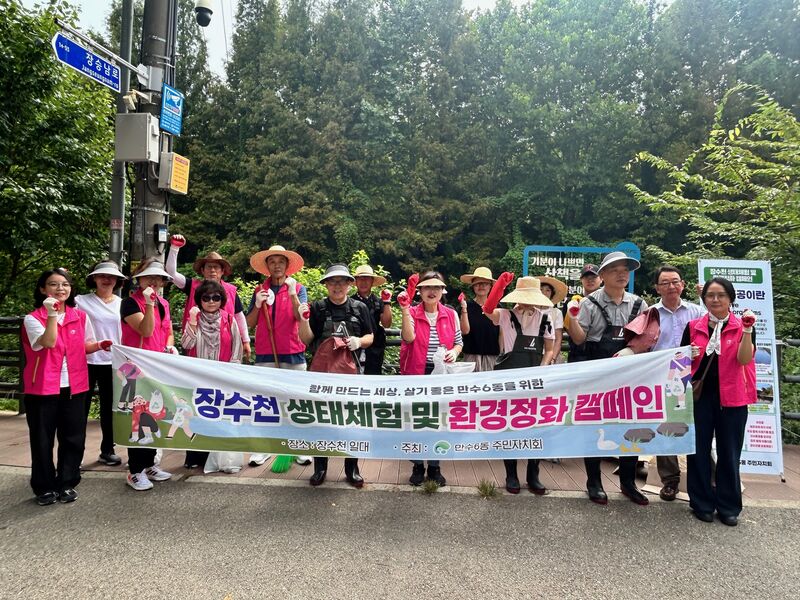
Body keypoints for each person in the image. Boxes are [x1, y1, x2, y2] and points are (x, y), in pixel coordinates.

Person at [565, 251, 648, 506]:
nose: (622, 274)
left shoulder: (639, 304)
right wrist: (572, 318)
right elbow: (579, 339)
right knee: (594, 426)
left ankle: (628, 483)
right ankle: (594, 482)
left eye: (625, 270)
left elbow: (646, 338)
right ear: (602, 275)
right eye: (615, 270)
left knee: (629, 427)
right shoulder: (589, 303)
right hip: (596, 374)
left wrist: (632, 350)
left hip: (629, 377)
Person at [21, 268, 109, 505]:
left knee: (73, 438)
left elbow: (85, 345)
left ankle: (67, 483)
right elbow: (48, 342)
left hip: (74, 386)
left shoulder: (79, 317)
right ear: (43, 289)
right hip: (42, 388)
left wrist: (100, 345)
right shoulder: (33, 318)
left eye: (65, 284)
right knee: (42, 440)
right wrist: (52, 314)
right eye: (54, 284)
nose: (61, 288)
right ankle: (44, 487)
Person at [684, 277, 756, 526]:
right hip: (700, 397)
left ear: (730, 298)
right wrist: (688, 354)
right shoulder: (693, 326)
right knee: (698, 451)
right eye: (710, 295)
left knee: (729, 452)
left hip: (733, 397)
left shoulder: (743, 324)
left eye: (721, 295)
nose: (715, 300)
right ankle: (701, 503)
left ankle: (729, 506)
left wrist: (747, 331)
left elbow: (744, 359)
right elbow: (680, 362)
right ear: (704, 299)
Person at [298, 264, 374, 488]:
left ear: (350, 284)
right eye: (332, 281)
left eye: (342, 281)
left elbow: (370, 336)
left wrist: (359, 341)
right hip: (322, 376)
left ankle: (352, 469)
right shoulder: (318, 308)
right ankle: (320, 468)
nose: (337, 286)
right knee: (321, 420)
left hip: (352, 375)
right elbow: (306, 339)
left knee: (352, 421)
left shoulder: (359, 308)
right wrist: (303, 319)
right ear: (326, 285)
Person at [482, 274, 554, 494]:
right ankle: (511, 474)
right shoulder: (505, 315)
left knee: (536, 426)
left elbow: (549, 349)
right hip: (508, 377)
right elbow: (487, 309)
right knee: (509, 425)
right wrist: (500, 286)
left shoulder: (545, 318)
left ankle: (533, 475)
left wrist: (542, 369)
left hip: (535, 378)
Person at [246, 244, 310, 467]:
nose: (276, 266)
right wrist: (257, 304)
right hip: (266, 353)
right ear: (267, 266)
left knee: (297, 402)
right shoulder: (259, 289)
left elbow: (300, 316)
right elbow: (249, 323)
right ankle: (263, 449)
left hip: (293, 352)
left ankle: (299, 447)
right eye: (272, 262)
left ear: (287, 265)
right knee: (265, 403)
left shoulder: (299, 287)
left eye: (280, 261)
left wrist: (292, 294)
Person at [398, 271, 463, 487]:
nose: (432, 291)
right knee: (415, 420)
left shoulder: (451, 314)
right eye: (427, 287)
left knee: (438, 420)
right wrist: (405, 310)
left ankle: (435, 466)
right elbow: (408, 338)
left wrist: (454, 352)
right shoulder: (411, 312)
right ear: (420, 291)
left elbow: (458, 342)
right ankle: (417, 465)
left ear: (443, 291)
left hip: (441, 376)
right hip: (416, 374)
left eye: (436, 287)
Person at [648, 265, 705, 502]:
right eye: (665, 283)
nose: (671, 286)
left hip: (694, 377)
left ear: (683, 284)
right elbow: (643, 345)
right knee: (666, 427)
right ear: (657, 288)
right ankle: (670, 481)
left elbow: (715, 332)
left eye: (675, 281)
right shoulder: (650, 314)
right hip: (662, 377)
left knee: (699, 426)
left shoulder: (697, 311)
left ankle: (705, 479)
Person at [120, 259, 175, 491]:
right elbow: (146, 330)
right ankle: (135, 470)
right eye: (148, 276)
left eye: (158, 277)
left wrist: (169, 346)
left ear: (163, 281)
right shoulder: (130, 303)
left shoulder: (164, 303)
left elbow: (168, 331)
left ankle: (149, 464)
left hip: (158, 367)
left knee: (154, 414)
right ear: (139, 279)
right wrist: (150, 304)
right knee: (139, 416)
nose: (153, 281)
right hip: (137, 369)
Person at [181, 279, 244, 470]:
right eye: (206, 297)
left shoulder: (229, 319)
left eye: (216, 297)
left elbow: (237, 349)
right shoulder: (194, 318)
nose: (211, 301)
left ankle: (218, 458)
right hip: (197, 377)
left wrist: (232, 373)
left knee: (219, 415)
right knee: (197, 414)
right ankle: (194, 456)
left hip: (221, 377)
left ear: (222, 300)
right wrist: (192, 322)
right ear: (199, 299)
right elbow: (186, 344)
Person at [166, 235, 251, 362]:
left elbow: (239, 316)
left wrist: (246, 341)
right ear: (202, 270)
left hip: (224, 347)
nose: (212, 270)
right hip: (196, 345)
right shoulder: (192, 286)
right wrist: (174, 248)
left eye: (216, 267)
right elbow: (171, 274)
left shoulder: (231, 291)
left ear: (222, 271)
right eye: (209, 267)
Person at [75, 260, 126, 466]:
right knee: (80, 409)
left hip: (114, 362)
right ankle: (75, 454)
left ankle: (107, 450)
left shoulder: (123, 304)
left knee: (109, 408)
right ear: (94, 278)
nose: (107, 279)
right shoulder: (80, 301)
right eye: (102, 275)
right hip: (85, 360)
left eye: (111, 276)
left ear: (117, 280)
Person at [352, 264, 392, 375]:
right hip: (355, 345)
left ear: (372, 281)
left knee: (373, 375)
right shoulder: (350, 301)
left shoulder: (378, 301)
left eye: (367, 278)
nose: (363, 282)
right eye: (360, 279)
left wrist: (387, 302)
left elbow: (386, 323)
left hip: (375, 347)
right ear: (356, 281)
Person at [458, 267, 500, 372]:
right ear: (473, 286)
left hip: (492, 356)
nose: (481, 286)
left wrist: (502, 353)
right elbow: (464, 331)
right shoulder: (466, 306)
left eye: (485, 283)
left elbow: (501, 333)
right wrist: (464, 309)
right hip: (471, 355)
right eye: (477, 284)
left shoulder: (498, 307)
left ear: (490, 286)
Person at [565, 264, 601, 363]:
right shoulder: (572, 302)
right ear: (581, 280)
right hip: (577, 354)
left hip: (601, 355)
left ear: (601, 279)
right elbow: (569, 330)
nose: (590, 280)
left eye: (594, 277)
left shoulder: (607, 301)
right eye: (586, 277)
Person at [536, 276, 567, 364]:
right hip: (529, 354)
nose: (544, 293)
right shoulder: (529, 310)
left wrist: (553, 359)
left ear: (552, 294)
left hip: (550, 355)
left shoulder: (556, 313)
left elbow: (558, 339)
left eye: (548, 290)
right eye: (541, 289)